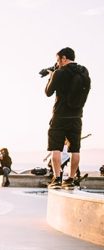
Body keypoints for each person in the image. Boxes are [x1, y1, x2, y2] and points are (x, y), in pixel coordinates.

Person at [44, 47, 89, 190]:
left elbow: (48, 92)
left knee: (55, 148)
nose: (57, 62)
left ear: (64, 58)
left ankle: (57, 179)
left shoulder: (59, 73)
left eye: (58, 59)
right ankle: (70, 179)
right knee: (75, 149)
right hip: (76, 116)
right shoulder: (83, 71)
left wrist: (52, 75)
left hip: (60, 116)